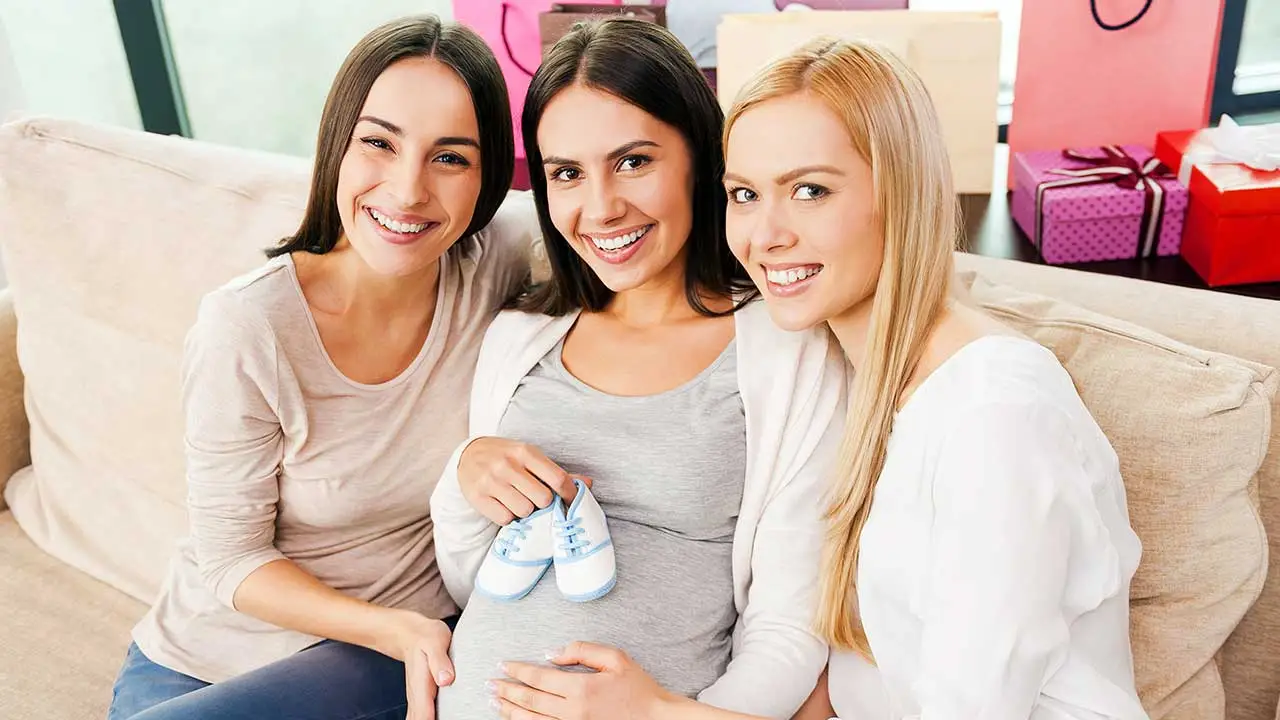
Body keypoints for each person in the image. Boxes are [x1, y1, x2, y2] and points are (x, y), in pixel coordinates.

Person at [493, 37, 1150, 720]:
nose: (765, 235)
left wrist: (655, 714)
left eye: (810, 191)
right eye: (745, 194)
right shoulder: (860, 377)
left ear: (899, 192)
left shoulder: (995, 415)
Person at [106, 15, 538, 720]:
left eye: (450, 158)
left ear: (488, 176)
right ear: (337, 144)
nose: (406, 191)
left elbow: (622, 218)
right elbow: (230, 561)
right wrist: (391, 628)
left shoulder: (500, 261)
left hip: (378, 662)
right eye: (378, 143)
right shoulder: (248, 326)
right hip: (204, 666)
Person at [429, 18, 846, 720]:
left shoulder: (786, 347)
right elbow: (478, 585)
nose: (601, 207)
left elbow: (789, 630)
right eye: (567, 174)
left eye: (633, 161)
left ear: (700, 158)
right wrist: (463, 479)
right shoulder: (517, 337)